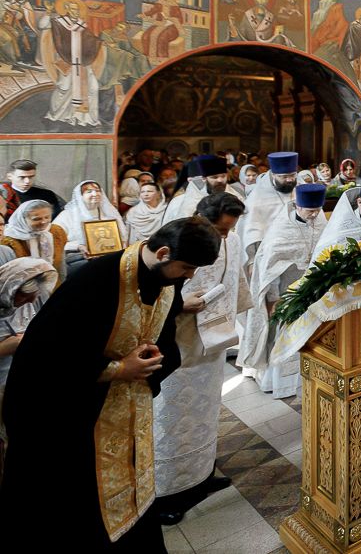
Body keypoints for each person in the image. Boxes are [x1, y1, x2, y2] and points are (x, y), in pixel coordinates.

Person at [0, 218, 222, 550]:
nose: (189, 276)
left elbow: (162, 327)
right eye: (187, 267)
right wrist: (118, 368)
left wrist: (155, 358)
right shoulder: (95, 279)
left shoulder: (166, 279)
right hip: (78, 412)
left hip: (130, 406)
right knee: (82, 500)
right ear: (163, 253)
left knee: (134, 485)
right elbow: (46, 353)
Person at [152, 193, 247, 525]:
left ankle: (200, 476)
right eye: (221, 230)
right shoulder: (177, 241)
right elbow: (149, 293)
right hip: (179, 345)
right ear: (200, 219)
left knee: (205, 412)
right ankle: (164, 493)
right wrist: (180, 305)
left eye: (230, 229)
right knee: (171, 418)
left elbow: (235, 278)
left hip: (213, 341)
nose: (226, 236)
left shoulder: (232, 240)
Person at [239, 184, 327, 398]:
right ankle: (281, 383)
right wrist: (273, 298)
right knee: (284, 335)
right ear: (297, 206)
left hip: (313, 290)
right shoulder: (282, 229)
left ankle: (306, 379)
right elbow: (269, 270)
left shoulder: (320, 221)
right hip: (285, 291)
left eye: (317, 210)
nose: (314, 215)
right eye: (310, 211)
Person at [0, 258, 58, 444]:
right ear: (10, 289)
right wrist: (5, 348)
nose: (30, 301)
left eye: (34, 295)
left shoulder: (30, 304)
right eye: (24, 295)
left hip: (22, 381)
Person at [238, 151, 298, 269]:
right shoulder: (257, 197)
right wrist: (251, 260)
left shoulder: (299, 190)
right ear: (273, 175)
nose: (290, 180)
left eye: (292, 175)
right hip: (267, 256)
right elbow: (250, 231)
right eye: (284, 176)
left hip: (297, 253)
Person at [54, 180, 127, 263]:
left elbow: (122, 237)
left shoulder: (110, 213)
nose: (95, 194)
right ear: (80, 196)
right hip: (79, 258)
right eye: (89, 192)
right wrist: (78, 246)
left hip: (111, 256)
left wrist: (121, 244)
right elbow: (55, 242)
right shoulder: (67, 215)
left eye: (97, 191)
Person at [0, 200, 67, 280]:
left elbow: (61, 263)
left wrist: (62, 282)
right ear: (23, 219)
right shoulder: (9, 240)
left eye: (47, 217)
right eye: (36, 219)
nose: (43, 222)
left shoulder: (56, 231)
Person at [163, 155, 228, 224]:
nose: (220, 180)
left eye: (223, 176)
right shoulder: (177, 202)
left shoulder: (232, 195)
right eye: (214, 177)